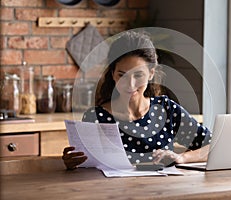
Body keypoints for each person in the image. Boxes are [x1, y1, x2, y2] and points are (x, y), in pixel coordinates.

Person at [62, 31, 211, 170]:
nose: (130, 84)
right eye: (122, 75)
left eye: (138, 75)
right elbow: (88, 166)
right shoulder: (96, 117)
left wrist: (181, 157)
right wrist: (74, 162)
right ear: (113, 74)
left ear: (151, 73)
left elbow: (214, 145)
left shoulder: (166, 109)